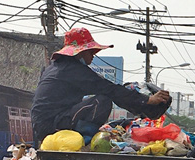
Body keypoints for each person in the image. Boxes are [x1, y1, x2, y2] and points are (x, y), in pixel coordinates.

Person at [31, 28, 171, 142]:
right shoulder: (72, 70)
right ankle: (86, 140)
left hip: (45, 124)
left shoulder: (57, 67)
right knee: (101, 101)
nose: (93, 56)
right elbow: (109, 89)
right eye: (91, 52)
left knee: (103, 98)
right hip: (51, 125)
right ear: (81, 52)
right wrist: (147, 100)